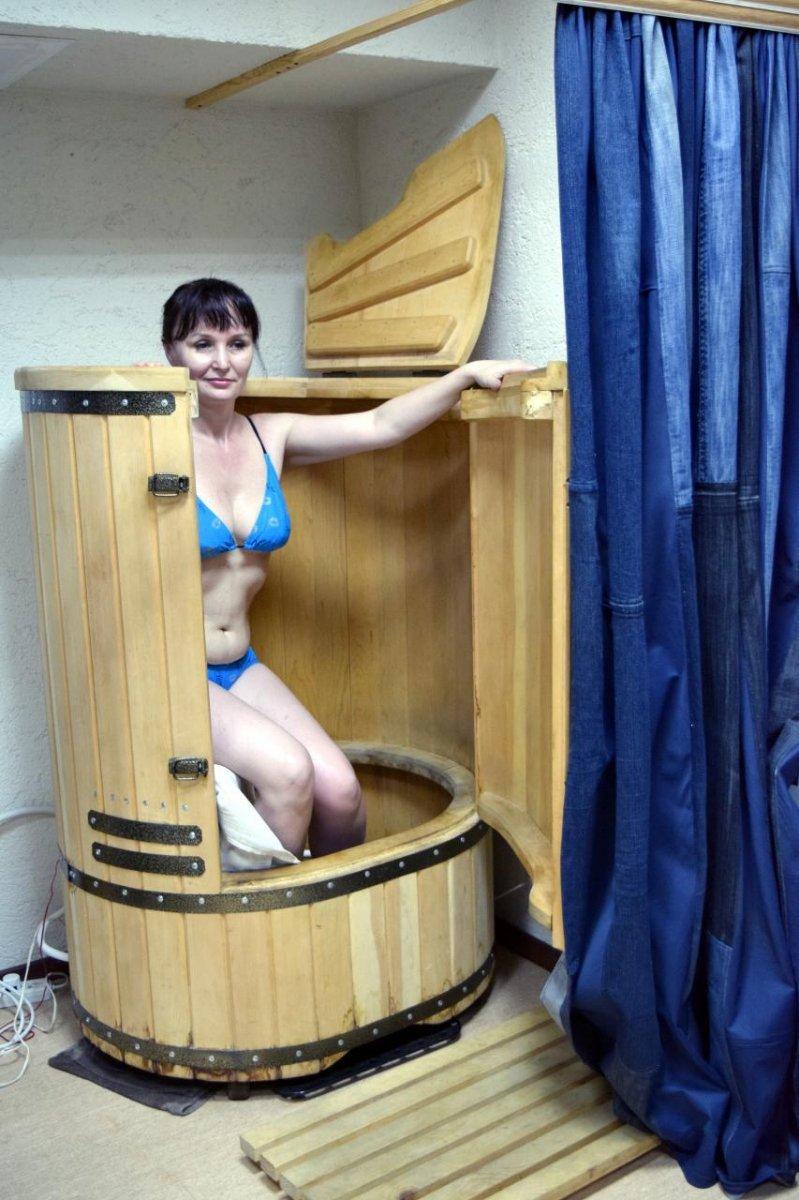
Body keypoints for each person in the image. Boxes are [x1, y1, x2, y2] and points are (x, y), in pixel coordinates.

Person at [150, 276, 535, 860]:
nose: (222, 362)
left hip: (238, 664)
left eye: (238, 343)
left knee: (341, 793)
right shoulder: (152, 440)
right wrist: (138, 393)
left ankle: (327, 915)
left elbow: (381, 427)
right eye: (202, 344)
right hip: (175, 669)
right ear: (172, 352)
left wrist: (462, 377)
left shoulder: (269, 434)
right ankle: (264, 917)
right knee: (289, 775)